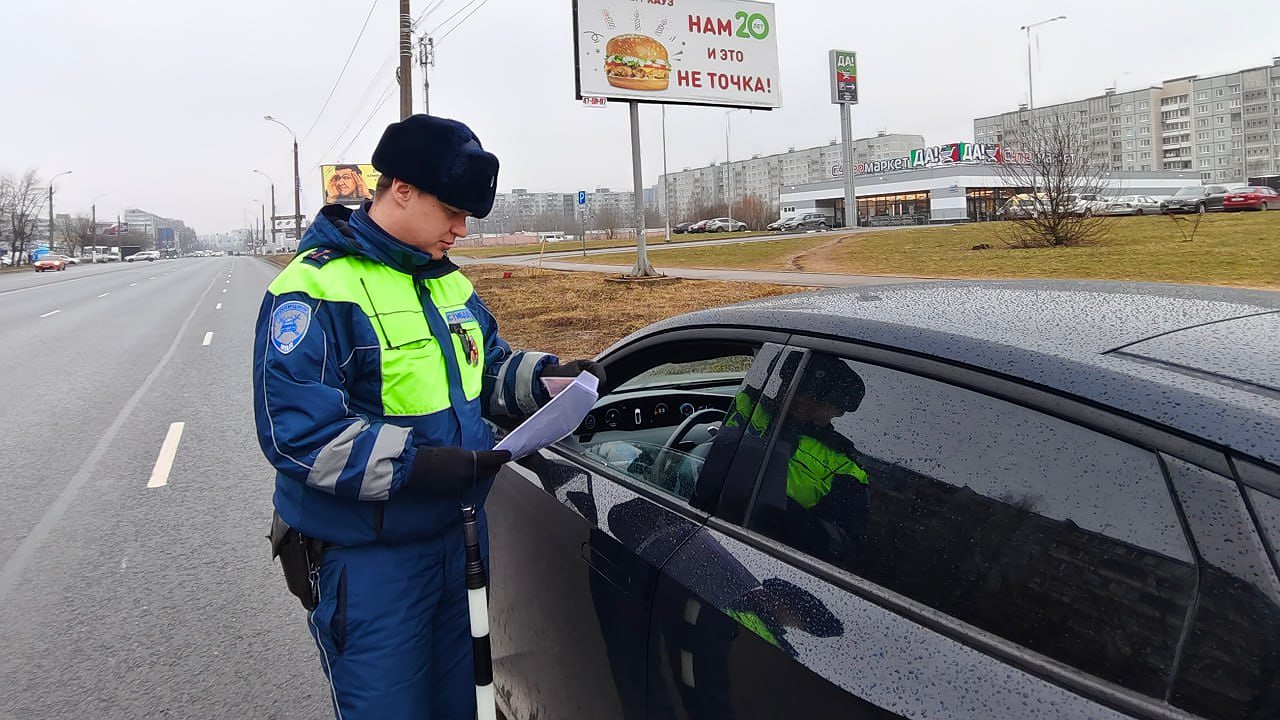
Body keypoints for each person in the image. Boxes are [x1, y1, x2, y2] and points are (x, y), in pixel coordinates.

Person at [253, 113, 604, 719]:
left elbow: (485, 370)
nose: (461, 230)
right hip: (369, 561)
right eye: (452, 211)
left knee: (463, 705)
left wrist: (551, 379)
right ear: (402, 190)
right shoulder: (314, 289)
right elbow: (299, 435)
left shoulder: (448, 285)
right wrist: (417, 466)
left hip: (458, 541)